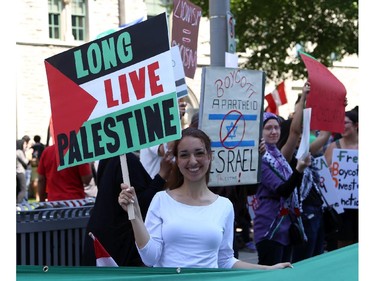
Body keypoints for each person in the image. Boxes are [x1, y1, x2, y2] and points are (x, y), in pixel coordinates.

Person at [118, 127, 292, 270]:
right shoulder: (161, 200)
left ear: (209, 157)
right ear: (177, 160)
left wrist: (268, 269)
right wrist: (136, 217)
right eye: (184, 155)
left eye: (199, 153)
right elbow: (150, 258)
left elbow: (225, 260)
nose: (193, 161)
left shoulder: (224, 206)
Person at [82, 152, 172, 266]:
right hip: (119, 244)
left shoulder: (108, 158)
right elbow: (140, 205)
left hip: (103, 236)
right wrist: (162, 175)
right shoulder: (126, 160)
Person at [253, 93, 312, 266]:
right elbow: (283, 190)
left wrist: (303, 100)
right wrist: (299, 170)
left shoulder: (278, 156)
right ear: (259, 131)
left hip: (285, 227)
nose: (274, 131)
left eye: (277, 127)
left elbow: (294, 188)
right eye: (268, 128)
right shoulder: (259, 158)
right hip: (270, 226)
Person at [324, 110, 358, 250]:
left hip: (359, 205)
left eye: (345, 123)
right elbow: (323, 175)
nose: (342, 126)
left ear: (356, 125)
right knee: (341, 244)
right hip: (340, 207)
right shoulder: (334, 147)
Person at [140, 101, 187, 178]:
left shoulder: (177, 131)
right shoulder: (151, 130)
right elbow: (167, 152)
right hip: (154, 187)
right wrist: (174, 119)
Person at [29, 135, 45, 201]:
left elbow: (34, 156)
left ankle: (37, 196)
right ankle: (38, 196)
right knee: (38, 181)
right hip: (40, 164)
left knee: (35, 181)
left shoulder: (33, 147)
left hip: (34, 165)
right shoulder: (42, 146)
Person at [16, 139, 29, 203]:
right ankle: (18, 203)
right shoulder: (19, 152)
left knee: (18, 189)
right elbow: (26, 162)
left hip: (18, 172)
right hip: (20, 172)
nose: (25, 146)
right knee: (23, 189)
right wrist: (29, 155)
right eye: (24, 144)